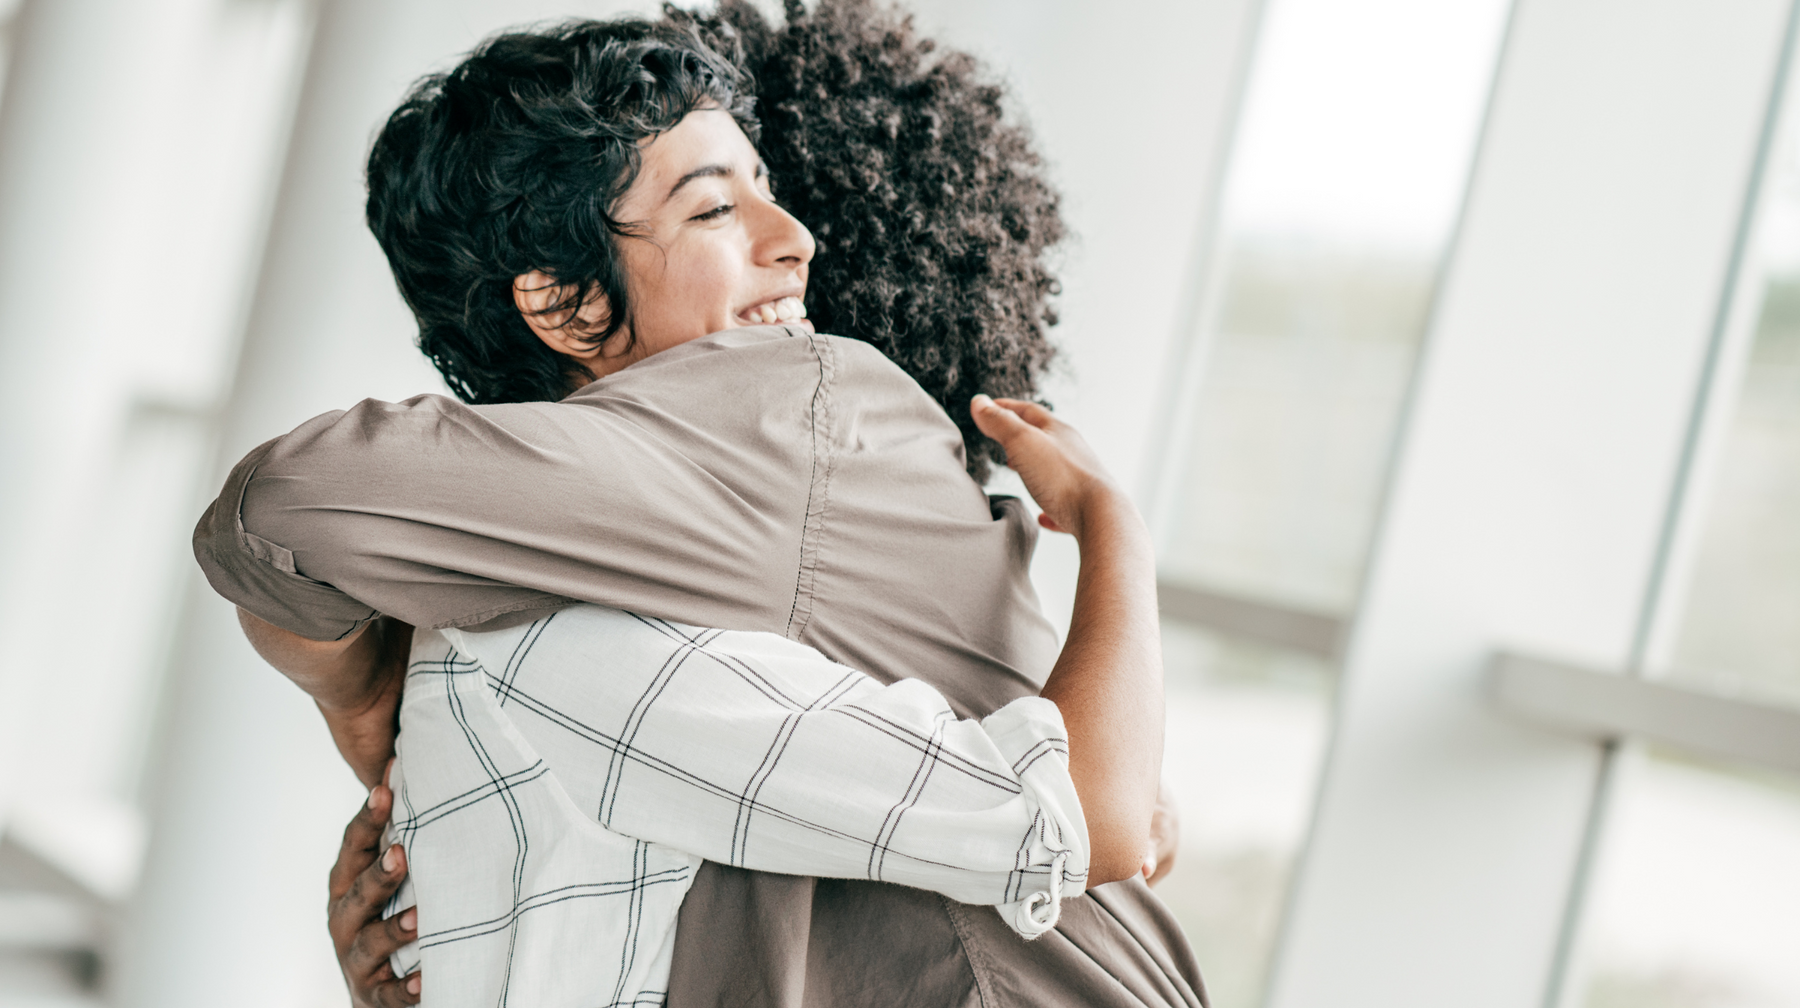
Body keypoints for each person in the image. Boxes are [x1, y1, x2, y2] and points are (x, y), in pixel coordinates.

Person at [194, 4, 1205, 1006]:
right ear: (567, 304)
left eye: (766, 192)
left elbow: (278, 514)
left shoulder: (793, 409)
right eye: (717, 208)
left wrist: (365, 703)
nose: (796, 238)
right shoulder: (523, 577)